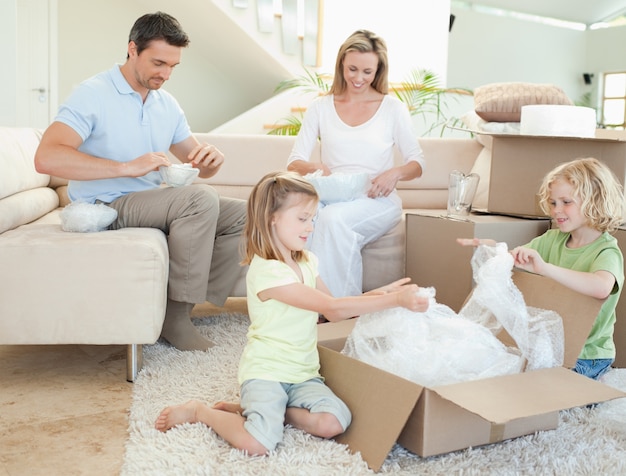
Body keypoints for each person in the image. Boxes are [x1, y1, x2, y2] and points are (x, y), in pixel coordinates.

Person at [154, 171, 429, 455]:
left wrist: (378, 293)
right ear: (272, 217)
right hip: (267, 372)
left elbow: (334, 309)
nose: (310, 228)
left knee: (333, 422)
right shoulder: (267, 271)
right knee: (257, 444)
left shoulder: (308, 260)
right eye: (302, 219)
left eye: (312, 219)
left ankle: (264, 411)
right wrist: (395, 300)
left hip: (303, 373)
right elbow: (332, 308)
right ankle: (201, 412)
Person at [34, 12, 247, 352]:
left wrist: (211, 161)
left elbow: (195, 160)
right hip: (104, 204)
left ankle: (185, 304)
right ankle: (174, 319)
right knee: (199, 199)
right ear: (132, 49)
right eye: (158, 62)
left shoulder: (166, 103)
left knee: (248, 214)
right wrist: (125, 167)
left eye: (173, 66)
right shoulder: (93, 93)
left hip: (149, 200)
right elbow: (46, 156)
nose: (165, 74)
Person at [286, 29, 425, 298]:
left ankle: (340, 309)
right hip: (331, 196)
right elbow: (294, 162)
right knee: (310, 217)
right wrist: (318, 169)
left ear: (378, 71)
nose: (358, 78)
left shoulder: (392, 108)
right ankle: (308, 302)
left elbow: (417, 163)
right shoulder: (321, 107)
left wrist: (394, 173)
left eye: (367, 72)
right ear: (341, 65)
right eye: (352, 69)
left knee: (334, 219)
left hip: (377, 199)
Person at [459, 157, 624, 380]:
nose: (557, 210)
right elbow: (517, 259)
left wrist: (545, 268)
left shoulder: (606, 251)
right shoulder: (551, 239)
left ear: (595, 200)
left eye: (566, 202)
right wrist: (496, 252)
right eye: (553, 203)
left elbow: (601, 287)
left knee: (546, 393)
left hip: (587, 355)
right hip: (551, 346)